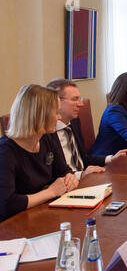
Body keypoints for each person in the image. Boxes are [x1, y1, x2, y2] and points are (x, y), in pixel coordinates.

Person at [0, 85, 78, 222]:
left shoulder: (46, 138)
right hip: (13, 226)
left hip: (40, 214)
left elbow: (63, 170)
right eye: (56, 112)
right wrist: (51, 192)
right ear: (40, 115)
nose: (59, 117)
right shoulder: (5, 152)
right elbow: (7, 204)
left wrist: (69, 177)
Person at [46, 79, 127, 179]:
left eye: (80, 99)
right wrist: (81, 175)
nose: (81, 104)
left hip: (84, 179)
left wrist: (111, 158)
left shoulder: (74, 123)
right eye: (75, 99)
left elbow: (82, 159)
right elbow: (50, 174)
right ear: (57, 101)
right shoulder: (46, 132)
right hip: (65, 184)